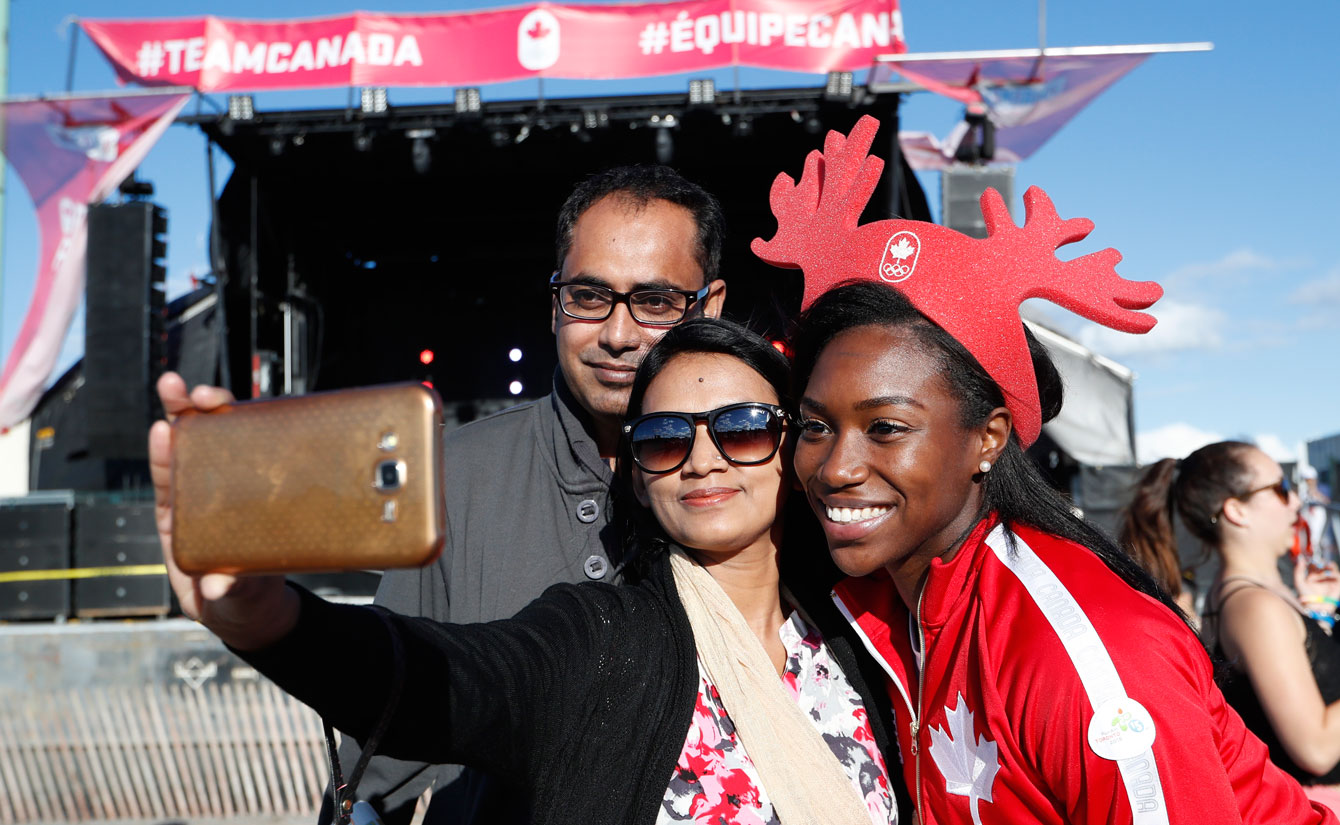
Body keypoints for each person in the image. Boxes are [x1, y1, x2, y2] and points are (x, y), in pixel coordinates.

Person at [750, 115, 1337, 823]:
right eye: (815, 425)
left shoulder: (1082, 647)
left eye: (886, 428)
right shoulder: (873, 607)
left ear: (988, 439)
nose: (837, 465)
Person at [151, 318, 905, 825]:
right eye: (664, 438)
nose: (702, 458)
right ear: (638, 475)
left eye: (741, 428)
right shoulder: (602, 637)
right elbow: (455, 679)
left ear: (793, 448)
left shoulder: (868, 634)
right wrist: (267, 616)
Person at [345, 164, 727, 823]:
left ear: (710, 307)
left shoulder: (759, 475)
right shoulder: (453, 475)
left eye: (656, 302)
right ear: (555, 303)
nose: (617, 333)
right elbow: (384, 750)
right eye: (589, 296)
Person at [1124, 442, 1340, 813]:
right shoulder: (1255, 606)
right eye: (1280, 489)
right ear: (1237, 510)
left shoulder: (1254, 598)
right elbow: (1316, 748)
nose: (1295, 502)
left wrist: (1319, 609)